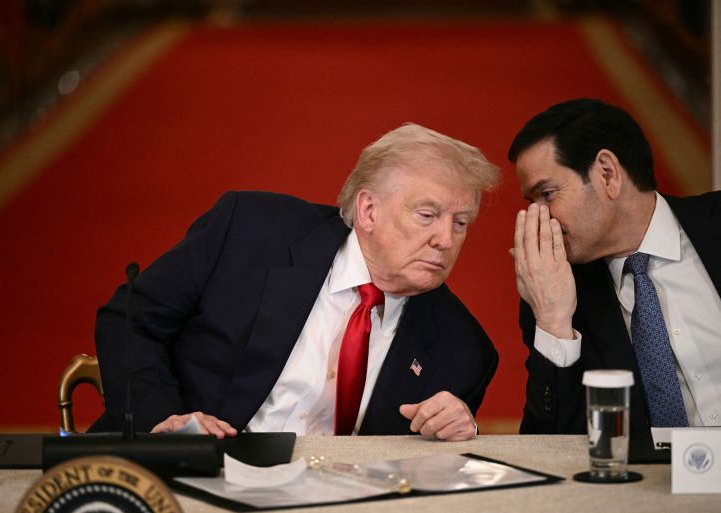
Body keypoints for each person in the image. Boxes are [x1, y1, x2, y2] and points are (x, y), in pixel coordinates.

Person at [90, 123, 500, 441]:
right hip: (185, 475)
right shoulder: (249, 230)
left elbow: (424, 475)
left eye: (461, 222)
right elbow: (129, 319)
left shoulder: (463, 350)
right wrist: (163, 421)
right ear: (369, 211)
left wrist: (460, 432)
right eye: (427, 216)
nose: (446, 240)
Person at [508, 98, 721, 435]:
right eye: (531, 203)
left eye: (547, 194)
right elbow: (549, 446)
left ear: (607, 173)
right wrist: (553, 322)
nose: (539, 217)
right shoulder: (557, 292)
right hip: (651, 486)